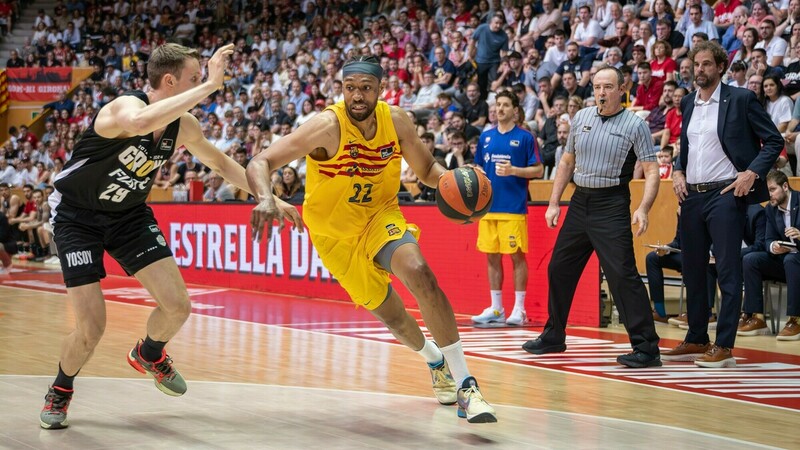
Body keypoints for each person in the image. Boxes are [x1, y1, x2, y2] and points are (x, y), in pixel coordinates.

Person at [39, 43, 302, 430]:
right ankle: (60, 390)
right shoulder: (121, 109)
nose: (201, 85)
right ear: (169, 80)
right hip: (78, 218)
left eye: (201, 79)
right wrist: (211, 85)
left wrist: (268, 197)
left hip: (128, 215)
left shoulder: (185, 126)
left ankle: (149, 353)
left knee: (179, 307)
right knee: (92, 328)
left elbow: (219, 162)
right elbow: (142, 123)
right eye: (194, 78)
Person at [247, 55, 497, 423]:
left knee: (420, 272)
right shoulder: (325, 126)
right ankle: (434, 360)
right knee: (395, 318)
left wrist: (453, 183)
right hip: (334, 237)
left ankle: (466, 386)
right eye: (350, 89)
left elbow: (427, 169)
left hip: (381, 217)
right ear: (342, 89)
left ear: (381, 90)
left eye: (366, 88)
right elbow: (260, 162)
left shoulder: (396, 120)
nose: (357, 96)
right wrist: (266, 198)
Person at [521, 66, 662, 368]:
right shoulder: (582, 117)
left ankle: (647, 347)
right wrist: (554, 202)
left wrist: (644, 207)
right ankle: (554, 335)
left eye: (608, 87)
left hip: (611, 204)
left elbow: (651, 170)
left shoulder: (635, 125)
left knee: (622, 275)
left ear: (622, 88)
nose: (601, 92)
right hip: (580, 201)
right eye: (597, 87)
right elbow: (568, 161)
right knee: (559, 267)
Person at [666, 41, 783, 368]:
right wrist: (677, 171)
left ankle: (725, 345)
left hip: (726, 194)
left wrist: (751, 174)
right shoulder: (688, 102)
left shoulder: (741, 99)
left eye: (705, 64)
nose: (699, 70)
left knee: (728, 270)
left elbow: (774, 140)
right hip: (691, 194)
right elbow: (686, 146)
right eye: (695, 64)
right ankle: (696, 337)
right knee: (692, 268)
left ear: (720, 67)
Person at [470, 90, 543, 326]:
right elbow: (479, 165)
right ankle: (496, 308)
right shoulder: (486, 137)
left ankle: (519, 309)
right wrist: (477, 172)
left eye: (504, 105)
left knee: (516, 256)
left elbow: (538, 170)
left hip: (513, 208)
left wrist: (514, 171)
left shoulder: (525, 138)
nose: (499, 109)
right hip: (488, 208)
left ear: (515, 110)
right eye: (497, 104)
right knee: (491, 257)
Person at [740, 170, 800, 340]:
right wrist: (774, 246)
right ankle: (757, 317)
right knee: (751, 259)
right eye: (767, 191)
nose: (770, 195)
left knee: (791, 259)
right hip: (787, 261)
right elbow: (768, 240)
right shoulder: (770, 209)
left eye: (772, 190)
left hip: (796, 260)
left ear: (785, 186)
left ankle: (795, 319)